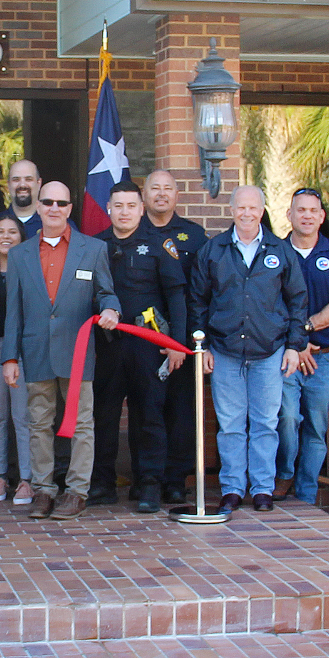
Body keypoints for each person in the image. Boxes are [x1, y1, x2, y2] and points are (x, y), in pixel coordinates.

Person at [0, 182, 120, 520]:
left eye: (61, 203)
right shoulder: (20, 254)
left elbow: (106, 292)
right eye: (48, 202)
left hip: (78, 352)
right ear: (38, 207)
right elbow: (14, 311)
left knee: (82, 424)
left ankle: (76, 492)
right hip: (36, 350)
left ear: (70, 209)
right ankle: (43, 490)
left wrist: (112, 310)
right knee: (39, 423)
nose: (54, 208)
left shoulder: (93, 249)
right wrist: (9, 357)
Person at [188, 185, 307, 517]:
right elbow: (197, 302)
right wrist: (204, 345)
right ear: (231, 210)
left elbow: (298, 301)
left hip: (269, 351)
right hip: (224, 351)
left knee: (266, 423)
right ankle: (232, 488)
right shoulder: (213, 251)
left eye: (253, 208)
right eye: (241, 207)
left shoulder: (281, 252)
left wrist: (295, 346)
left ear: (262, 210)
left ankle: (262, 488)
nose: (247, 213)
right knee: (230, 425)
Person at [89, 181, 186, 513]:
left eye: (131, 206)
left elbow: (176, 297)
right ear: (109, 208)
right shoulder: (95, 246)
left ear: (141, 209)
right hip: (107, 347)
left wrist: (177, 344)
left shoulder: (160, 245)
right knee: (103, 415)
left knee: (149, 415)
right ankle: (101, 483)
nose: (125, 212)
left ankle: (148, 485)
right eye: (118, 206)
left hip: (149, 346)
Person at [277, 188, 329, 506]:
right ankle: (283, 474)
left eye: (313, 210)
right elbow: (268, 304)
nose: (307, 215)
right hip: (287, 356)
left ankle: (306, 491)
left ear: (321, 217)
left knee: (316, 426)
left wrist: (306, 331)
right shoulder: (276, 252)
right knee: (286, 418)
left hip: (324, 357)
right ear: (290, 215)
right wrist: (298, 343)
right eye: (301, 210)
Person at [142, 169, 209, 503]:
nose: (161, 194)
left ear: (177, 195)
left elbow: (203, 290)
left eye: (168, 188)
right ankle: (147, 477)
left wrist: (191, 340)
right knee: (146, 410)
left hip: (182, 338)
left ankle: (175, 479)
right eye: (155, 188)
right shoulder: (131, 232)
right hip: (140, 339)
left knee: (181, 411)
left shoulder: (194, 237)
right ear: (144, 193)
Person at [0, 216, 33, 505]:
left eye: (13, 232)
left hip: (23, 350)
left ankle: (26, 479)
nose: (7, 236)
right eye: (0, 231)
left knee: (22, 416)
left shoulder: (30, 268)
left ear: (22, 237)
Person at [0, 159, 42, 249]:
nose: (22, 185)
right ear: (8, 184)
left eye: (28, 179)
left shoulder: (52, 225)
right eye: (16, 179)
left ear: (39, 183)